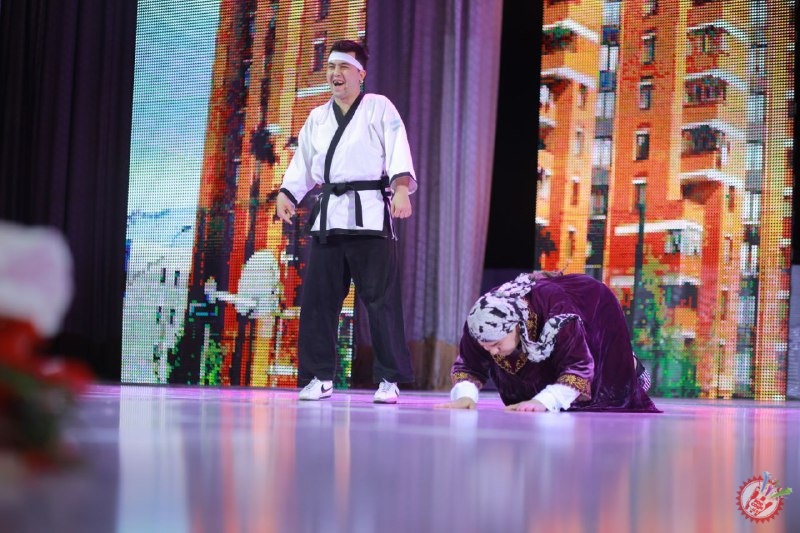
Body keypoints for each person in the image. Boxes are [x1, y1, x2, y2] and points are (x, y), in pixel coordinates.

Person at [276, 40, 416, 404]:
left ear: (360, 74)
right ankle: (319, 376)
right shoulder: (317, 117)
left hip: (369, 214)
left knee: (380, 301)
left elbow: (397, 148)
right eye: (330, 67)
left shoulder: (379, 107)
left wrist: (401, 188)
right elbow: (303, 162)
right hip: (330, 217)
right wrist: (287, 193)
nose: (335, 74)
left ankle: (389, 379)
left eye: (343, 67)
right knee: (318, 301)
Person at [436, 272, 659, 412]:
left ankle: (630, 364)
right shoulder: (482, 322)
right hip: (536, 332)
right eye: (487, 347)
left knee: (607, 379)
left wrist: (546, 400)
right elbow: (469, 365)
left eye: (496, 345)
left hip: (591, 306)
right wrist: (465, 396)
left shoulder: (557, 314)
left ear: (516, 326)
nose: (492, 352)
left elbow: (578, 365)